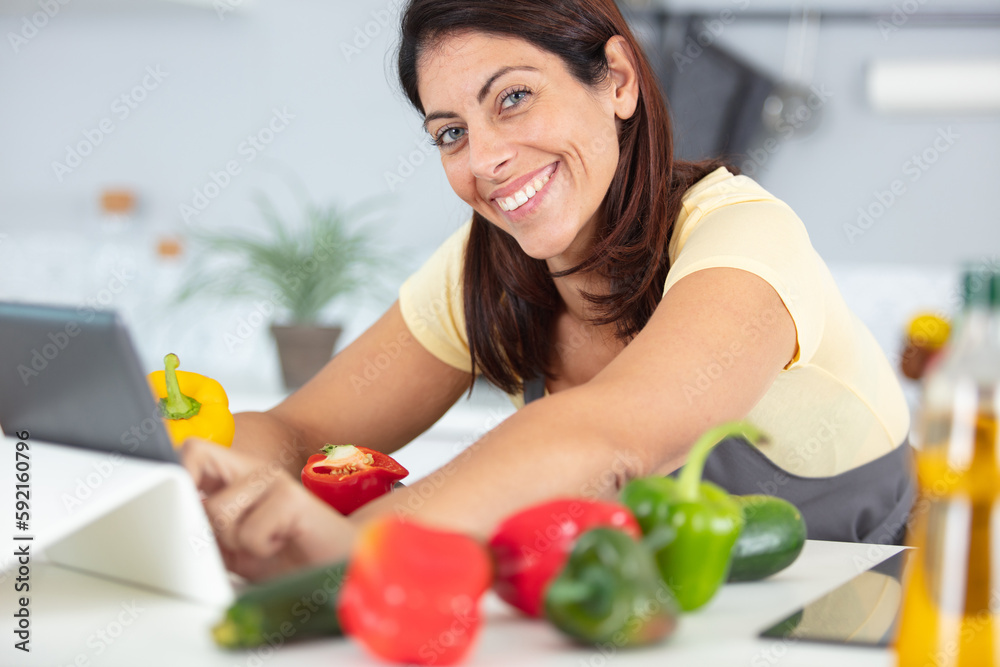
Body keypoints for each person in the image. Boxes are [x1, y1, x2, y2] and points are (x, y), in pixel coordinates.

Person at [182, 0, 914, 583]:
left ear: (619, 80)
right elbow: (301, 432)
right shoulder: (483, 269)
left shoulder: (746, 237)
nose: (487, 160)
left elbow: (609, 435)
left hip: (858, 628)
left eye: (514, 98)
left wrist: (354, 546)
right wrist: (192, 470)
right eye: (450, 134)